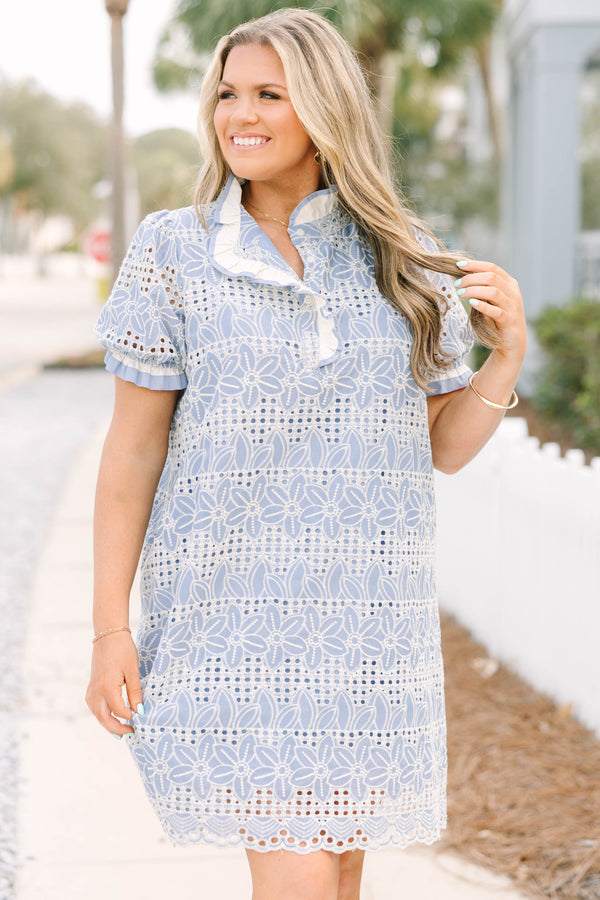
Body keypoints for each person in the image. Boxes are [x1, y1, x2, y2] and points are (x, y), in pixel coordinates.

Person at [85, 8, 527, 899]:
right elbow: (131, 455)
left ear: (325, 109)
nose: (239, 115)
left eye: (269, 95)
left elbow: (442, 449)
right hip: (231, 626)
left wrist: (506, 355)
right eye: (228, 94)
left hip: (370, 632)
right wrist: (109, 626)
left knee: (337, 879)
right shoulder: (175, 251)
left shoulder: (403, 257)